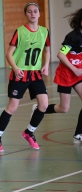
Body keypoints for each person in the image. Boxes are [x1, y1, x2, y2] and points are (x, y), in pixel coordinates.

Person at [0, 2, 51, 152]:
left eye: (35, 11)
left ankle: (29, 132)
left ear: (39, 13)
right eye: (29, 11)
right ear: (26, 14)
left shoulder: (44, 31)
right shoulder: (20, 31)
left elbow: (47, 50)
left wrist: (46, 64)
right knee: (12, 107)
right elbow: (9, 54)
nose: (32, 14)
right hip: (21, 74)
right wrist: (16, 68)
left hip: (36, 74)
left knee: (43, 105)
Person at [35, 8, 82, 144]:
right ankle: (39, 109)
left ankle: (78, 133)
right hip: (66, 74)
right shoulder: (72, 37)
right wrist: (74, 69)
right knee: (64, 108)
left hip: (78, 74)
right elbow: (60, 55)